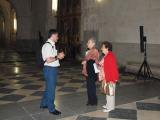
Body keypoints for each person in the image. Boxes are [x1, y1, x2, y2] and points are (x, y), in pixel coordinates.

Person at [40, 29, 65, 115]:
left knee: (48, 88)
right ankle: (51, 109)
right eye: (57, 36)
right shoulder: (48, 46)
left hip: (51, 69)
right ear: (53, 35)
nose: (58, 38)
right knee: (51, 89)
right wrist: (58, 56)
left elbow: (52, 57)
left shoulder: (52, 45)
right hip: (50, 69)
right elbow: (48, 60)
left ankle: (44, 103)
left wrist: (58, 57)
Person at [99, 41, 119, 112]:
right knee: (108, 92)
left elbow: (113, 68)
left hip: (110, 78)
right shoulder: (107, 55)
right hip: (106, 77)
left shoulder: (110, 56)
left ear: (107, 48)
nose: (101, 49)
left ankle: (110, 107)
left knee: (110, 94)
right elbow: (103, 65)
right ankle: (108, 104)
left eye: (103, 47)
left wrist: (115, 78)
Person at [82, 37, 99, 106]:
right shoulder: (88, 51)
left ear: (93, 44)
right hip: (88, 70)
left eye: (89, 42)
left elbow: (93, 59)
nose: (87, 44)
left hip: (92, 71)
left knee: (92, 86)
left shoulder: (95, 51)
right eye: (87, 42)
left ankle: (94, 101)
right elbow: (87, 59)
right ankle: (90, 100)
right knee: (89, 86)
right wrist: (85, 61)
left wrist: (86, 60)